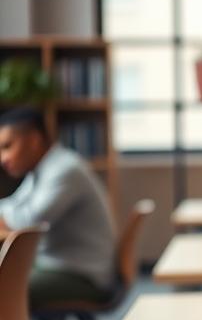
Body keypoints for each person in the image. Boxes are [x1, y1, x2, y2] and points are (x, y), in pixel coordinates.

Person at [0, 106, 117, 306]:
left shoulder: (64, 170)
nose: (3, 159)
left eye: (7, 146)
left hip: (82, 274)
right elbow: (13, 205)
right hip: (56, 264)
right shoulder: (43, 169)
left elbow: (28, 222)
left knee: (5, 288)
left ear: (34, 140)